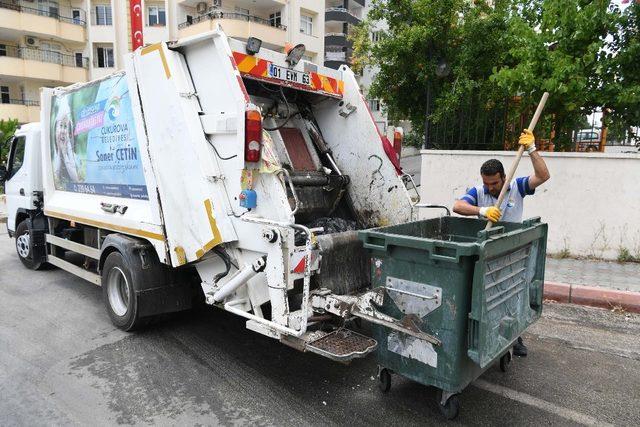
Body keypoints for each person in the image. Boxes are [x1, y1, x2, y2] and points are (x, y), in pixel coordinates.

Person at [452, 129, 550, 356]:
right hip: (487, 252)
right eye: (487, 183)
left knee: (512, 296)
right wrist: (481, 210)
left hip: (512, 251)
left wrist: (532, 150)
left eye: (494, 183)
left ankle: (515, 338)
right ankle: (484, 335)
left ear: (503, 178)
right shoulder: (479, 192)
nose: (490, 187)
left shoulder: (517, 187)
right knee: (486, 297)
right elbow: (457, 206)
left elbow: (543, 176)